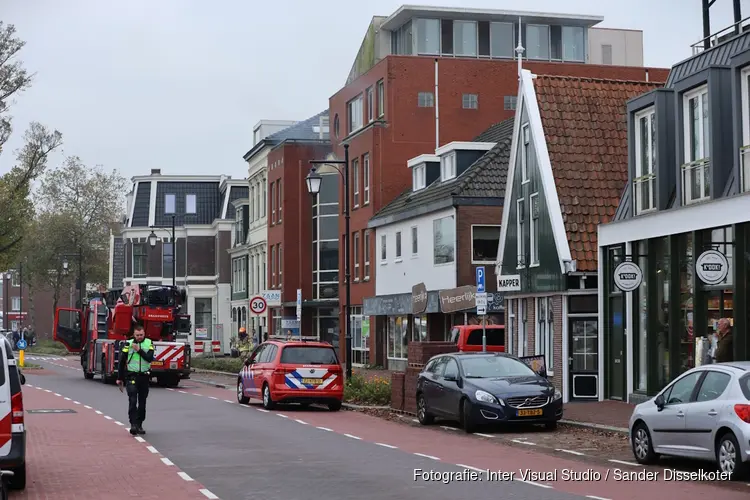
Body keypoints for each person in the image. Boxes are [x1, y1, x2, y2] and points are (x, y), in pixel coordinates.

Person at [117, 323, 155, 435]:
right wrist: (120, 378)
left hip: (144, 376)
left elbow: (149, 359)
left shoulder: (149, 343)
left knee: (142, 403)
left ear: (144, 334)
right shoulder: (128, 344)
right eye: (137, 335)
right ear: (134, 334)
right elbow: (122, 362)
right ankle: (133, 424)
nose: (139, 337)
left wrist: (139, 350)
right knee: (133, 400)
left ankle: (139, 424)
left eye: (141, 335)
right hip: (132, 376)